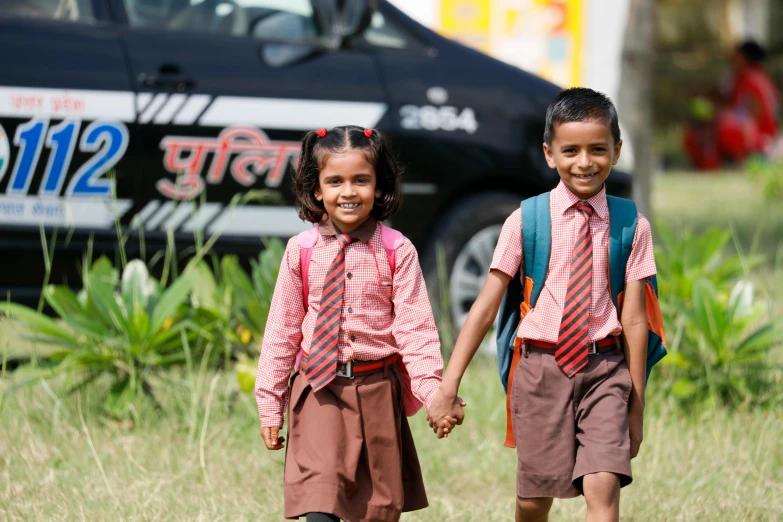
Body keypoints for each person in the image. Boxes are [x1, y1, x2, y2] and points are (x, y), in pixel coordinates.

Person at [427, 88, 657, 522]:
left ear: (617, 150)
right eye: (570, 150)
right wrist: (448, 384)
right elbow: (484, 308)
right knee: (535, 501)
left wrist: (637, 404)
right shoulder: (525, 220)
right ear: (550, 154)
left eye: (597, 150)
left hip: (605, 369)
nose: (584, 162)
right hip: (540, 371)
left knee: (603, 486)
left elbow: (635, 319)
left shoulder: (631, 225)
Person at [255, 125, 452, 522]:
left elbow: (416, 330)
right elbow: (282, 332)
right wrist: (270, 405)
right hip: (319, 390)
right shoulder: (301, 250)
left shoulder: (398, 250)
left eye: (361, 180)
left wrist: (433, 393)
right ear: (316, 190)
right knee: (319, 504)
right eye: (335, 181)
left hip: (378, 391)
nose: (348, 191)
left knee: (375, 510)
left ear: (379, 187)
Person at [684, 40, 780, 169]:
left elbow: (754, 115)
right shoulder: (740, 79)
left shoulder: (753, 79)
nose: (730, 60)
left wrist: (724, 113)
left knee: (725, 124)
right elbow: (723, 97)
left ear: (744, 58)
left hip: (760, 137)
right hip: (746, 129)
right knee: (701, 128)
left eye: (735, 56)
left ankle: (738, 164)